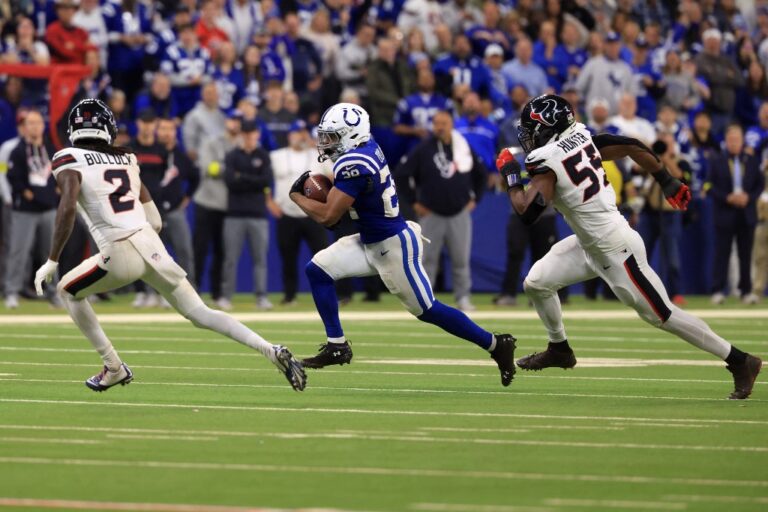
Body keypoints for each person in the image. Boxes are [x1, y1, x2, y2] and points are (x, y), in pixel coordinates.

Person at [495, 94, 762, 400]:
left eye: (531, 130)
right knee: (536, 283)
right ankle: (559, 349)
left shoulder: (547, 160)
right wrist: (666, 179)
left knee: (664, 315)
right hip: (589, 244)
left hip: (616, 249)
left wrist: (511, 175)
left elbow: (527, 212)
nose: (528, 137)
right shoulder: (581, 136)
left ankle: (740, 361)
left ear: (547, 128)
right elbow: (633, 146)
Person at [33, 98, 305, 392]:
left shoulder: (68, 156)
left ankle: (113, 366)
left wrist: (52, 259)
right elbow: (157, 221)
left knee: (67, 290)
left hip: (118, 249)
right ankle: (271, 350)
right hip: (151, 245)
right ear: (109, 128)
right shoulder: (128, 158)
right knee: (201, 313)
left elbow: (68, 205)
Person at [289, 103, 516, 387]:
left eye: (333, 136)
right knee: (318, 270)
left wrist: (297, 196)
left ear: (351, 135)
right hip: (369, 239)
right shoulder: (365, 146)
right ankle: (337, 345)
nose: (325, 143)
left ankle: (497, 345)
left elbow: (328, 217)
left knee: (428, 310)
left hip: (393, 245)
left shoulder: (354, 164)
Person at [396, 110, 487, 311]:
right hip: (431, 213)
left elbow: (481, 174)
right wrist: (413, 202)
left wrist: (475, 199)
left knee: (461, 260)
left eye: (444, 123)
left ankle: (463, 298)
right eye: (436, 123)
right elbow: (401, 175)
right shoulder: (423, 148)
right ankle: (423, 301)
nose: (440, 126)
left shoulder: (462, 147)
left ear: (451, 124)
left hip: (459, 212)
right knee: (426, 259)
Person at [269, 120, 329, 305]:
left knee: (324, 257)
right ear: (289, 135)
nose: (300, 136)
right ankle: (289, 296)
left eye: (303, 132)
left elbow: (333, 178)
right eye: (296, 132)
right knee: (288, 258)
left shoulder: (317, 156)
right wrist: (269, 201)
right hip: (286, 213)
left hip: (313, 214)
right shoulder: (276, 156)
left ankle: (328, 294)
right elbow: (263, 179)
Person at [5, 110, 59, 309]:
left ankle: (54, 293)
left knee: (51, 254)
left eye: (38, 122)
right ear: (25, 127)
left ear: (43, 126)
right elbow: (13, 177)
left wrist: (56, 191)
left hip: (48, 209)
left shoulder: (50, 148)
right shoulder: (18, 150)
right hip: (25, 210)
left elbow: (57, 173)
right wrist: (26, 192)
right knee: (19, 251)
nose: (35, 126)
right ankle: (12, 291)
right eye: (31, 123)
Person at [707, 125, 765, 305]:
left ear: (742, 141)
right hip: (725, 212)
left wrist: (749, 197)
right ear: (726, 141)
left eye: (737, 139)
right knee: (722, 253)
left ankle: (746, 291)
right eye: (731, 139)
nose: (734, 143)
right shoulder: (717, 160)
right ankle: (718, 290)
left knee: (746, 254)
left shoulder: (752, 160)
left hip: (746, 213)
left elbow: (760, 184)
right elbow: (709, 186)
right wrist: (727, 197)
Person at [220, 121, 273, 311]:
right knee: (230, 259)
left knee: (260, 258)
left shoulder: (263, 156)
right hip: (234, 214)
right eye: (247, 134)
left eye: (253, 134)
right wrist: (253, 180)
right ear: (241, 135)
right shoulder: (232, 155)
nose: (250, 138)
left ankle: (261, 296)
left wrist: (241, 177)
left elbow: (265, 181)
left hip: (258, 214)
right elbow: (229, 182)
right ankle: (226, 297)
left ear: (257, 134)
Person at [155, 116, 199, 282]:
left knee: (184, 251)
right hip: (152, 212)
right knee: (152, 254)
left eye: (170, 129)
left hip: (175, 210)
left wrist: (187, 197)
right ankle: (152, 293)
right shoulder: (151, 152)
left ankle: (190, 291)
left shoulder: (181, 156)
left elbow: (196, 177)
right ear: (157, 131)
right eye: (163, 129)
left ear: (175, 132)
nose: (166, 133)